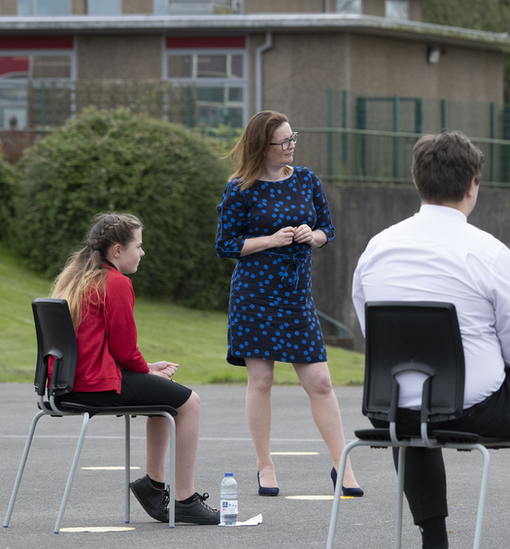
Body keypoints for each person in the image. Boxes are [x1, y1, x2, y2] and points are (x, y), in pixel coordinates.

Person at [352, 131, 510, 549]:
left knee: (413, 407)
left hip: (388, 407)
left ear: (417, 182)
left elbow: (371, 332)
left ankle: (434, 540)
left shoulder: (376, 249)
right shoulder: (490, 253)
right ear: (472, 186)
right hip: (474, 408)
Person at [215, 110, 361, 498]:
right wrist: (271, 240)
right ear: (264, 146)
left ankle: (341, 464)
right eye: (284, 140)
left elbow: (327, 227)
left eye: (292, 137)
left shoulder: (307, 179)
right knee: (261, 379)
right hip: (254, 295)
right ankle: (265, 465)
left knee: (321, 381)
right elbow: (226, 244)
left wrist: (312, 236)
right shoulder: (239, 188)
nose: (292, 144)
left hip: (296, 295)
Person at [50, 212, 218, 524]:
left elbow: (101, 348)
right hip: (95, 387)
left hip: (67, 385)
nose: (142, 252)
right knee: (189, 403)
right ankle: (184, 499)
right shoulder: (115, 283)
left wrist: (147, 369)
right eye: (138, 246)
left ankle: (153, 485)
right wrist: (146, 371)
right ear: (117, 251)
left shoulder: (77, 278)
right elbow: (125, 352)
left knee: (164, 398)